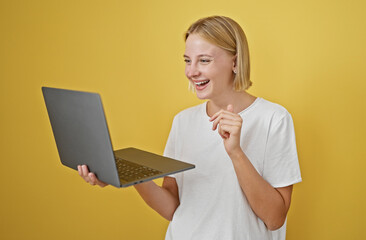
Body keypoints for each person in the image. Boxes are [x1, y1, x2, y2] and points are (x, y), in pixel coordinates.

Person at [78, 15, 302, 240]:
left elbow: (275, 219)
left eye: (204, 60)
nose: (191, 71)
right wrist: (131, 176)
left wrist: (236, 152)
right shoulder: (182, 122)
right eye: (187, 60)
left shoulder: (274, 119)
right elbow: (173, 207)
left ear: (235, 62)